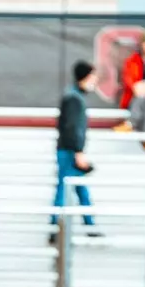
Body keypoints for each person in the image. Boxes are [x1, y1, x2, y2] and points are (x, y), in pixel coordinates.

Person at [52, 60, 98, 232]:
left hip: (69, 151)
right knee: (64, 188)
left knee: (79, 189)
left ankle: (89, 224)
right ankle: (56, 227)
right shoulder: (74, 98)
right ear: (84, 77)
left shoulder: (73, 96)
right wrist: (78, 152)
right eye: (93, 76)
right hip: (69, 152)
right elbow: (71, 128)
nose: (95, 80)